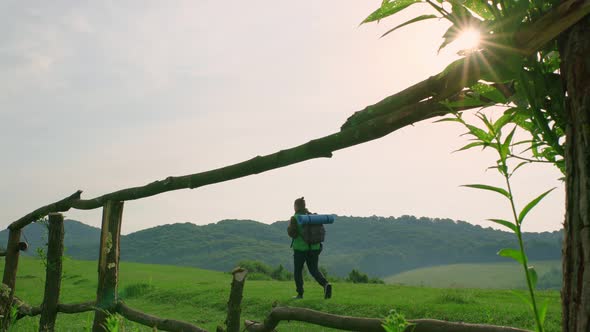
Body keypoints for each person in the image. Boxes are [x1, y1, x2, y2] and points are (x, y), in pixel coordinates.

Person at [287, 197, 332, 299]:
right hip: (315, 248)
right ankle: (326, 284)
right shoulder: (312, 217)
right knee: (314, 270)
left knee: (298, 271)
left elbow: (292, 234)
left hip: (300, 249)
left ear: (296, 206)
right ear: (304, 206)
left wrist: (289, 225)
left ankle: (300, 294)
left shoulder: (295, 218)